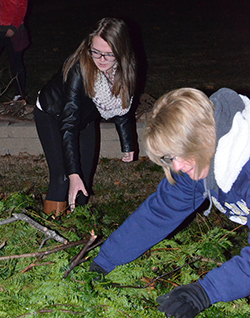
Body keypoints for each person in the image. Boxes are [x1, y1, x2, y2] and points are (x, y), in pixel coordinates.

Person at [90, 87, 250, 318]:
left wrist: (206, 292)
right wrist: (105, 261)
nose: (177, 167)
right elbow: (160, 212)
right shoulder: (200, 154)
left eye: (179, 156)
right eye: (170, 158)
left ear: (202, 138)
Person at [34, 17, 137, 216]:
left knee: (85, 177)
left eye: (109, 54)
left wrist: (128, 143)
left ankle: (78, 224)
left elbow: (122, 106)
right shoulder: (79, 68)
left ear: (122, 52)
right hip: (54, 114)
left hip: (86, 117)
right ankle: (53, 228)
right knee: (64, 176)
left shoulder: (126, 68)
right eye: (96, 52)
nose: (101, 60)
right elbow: (69, 122)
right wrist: (73, 174)